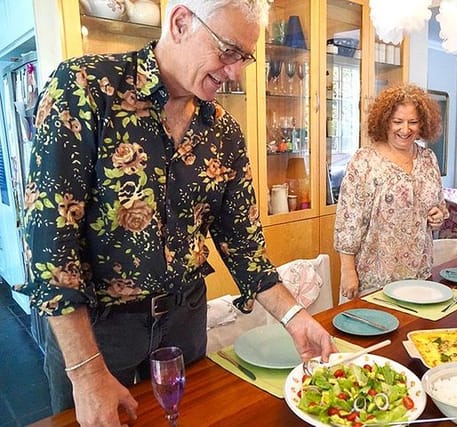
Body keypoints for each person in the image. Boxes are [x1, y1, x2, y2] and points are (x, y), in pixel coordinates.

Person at [19, 1, 336, 425]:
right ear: (181, 22)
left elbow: (243, 243)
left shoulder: (222, 130)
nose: (235, 71)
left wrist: (296, 318)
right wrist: (86, 371)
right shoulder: (85, 88)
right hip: (97, 333)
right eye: (228, 51)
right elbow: (49, 241)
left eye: (245, 57)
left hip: (184, 323)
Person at [334, 84, 448, 300]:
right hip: (373, 280)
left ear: (423, 123)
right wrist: (347, 271)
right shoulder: (364, 161)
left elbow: (438, 207)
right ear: (385, 121)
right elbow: (347, 224)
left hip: (419, 277)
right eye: (398, 122)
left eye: (413, 122)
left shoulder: (428, 159)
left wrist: (437, 217)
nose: (405, 130)